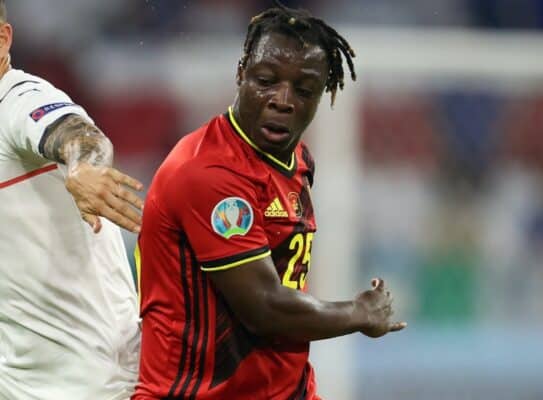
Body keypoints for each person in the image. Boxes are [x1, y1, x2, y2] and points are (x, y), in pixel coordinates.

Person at [134, 2, 406, 399]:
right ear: (240, 74)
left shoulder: (294, 159)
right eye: (266, 80)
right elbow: (264, 307)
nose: (283, 99)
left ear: (324, 95)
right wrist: (359, 313)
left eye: (304, 89)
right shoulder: (208, 173)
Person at [0, 2, 144, 399]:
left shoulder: (19, 100)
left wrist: (84, 167)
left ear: (3, 40)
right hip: (18, 378)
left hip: (90, 379)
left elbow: (81, 136)